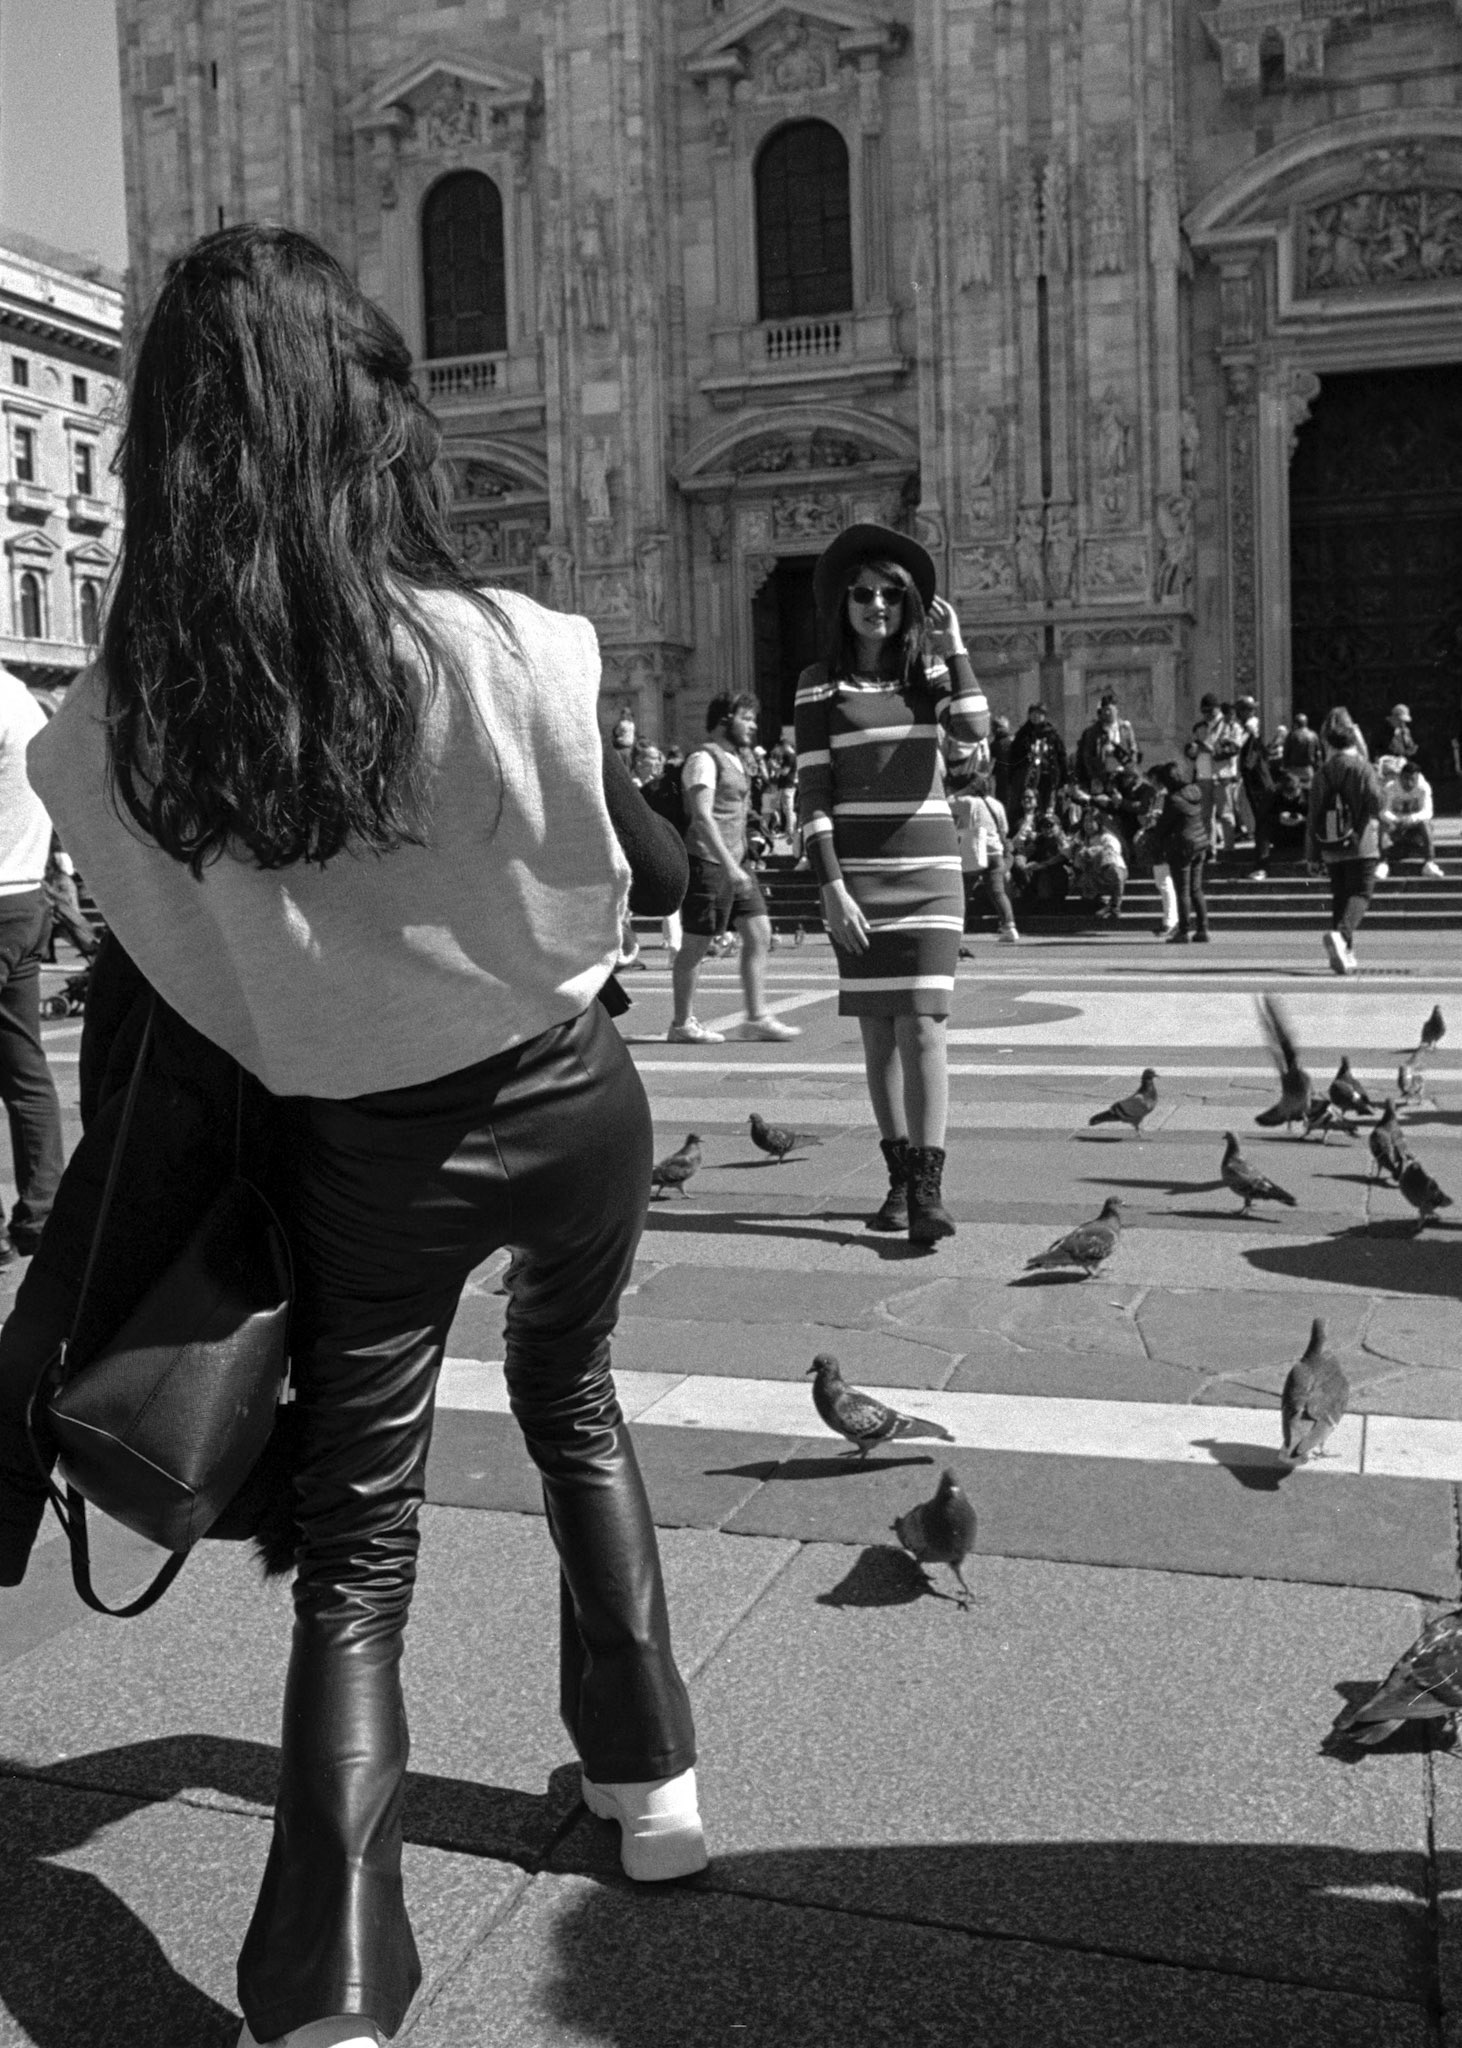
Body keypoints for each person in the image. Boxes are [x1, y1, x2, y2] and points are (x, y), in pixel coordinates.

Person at [16, 225, 704, 2048]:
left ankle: (330, 1989)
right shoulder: (518, 645)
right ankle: (654, 1788)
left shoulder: (109, 726)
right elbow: (596, 907)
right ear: (363, 411)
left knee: (362, 1551)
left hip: (367, 1152)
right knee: (574, 1403)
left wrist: (328, 1010)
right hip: (570, 1102)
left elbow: (194, 981)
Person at [795, 523, 988, 1243]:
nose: (877, 605)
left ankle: (929, 1189)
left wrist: (955, 643)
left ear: (910, 606)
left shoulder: (929, 679)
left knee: (926, 1027)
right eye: (864, 594)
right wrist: (830, 887)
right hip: (860, 876)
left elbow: (974, 725)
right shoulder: (818, 686)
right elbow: (811, 795)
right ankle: (899, 1180)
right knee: (880, 1035)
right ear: (843, 604)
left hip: (932, 873)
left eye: (891, 595)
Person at [666, 692, 797, 1043]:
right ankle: (682, 1024)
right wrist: (728, 864)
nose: (753, 726)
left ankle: (756, 1016)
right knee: (697, 943)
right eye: (747, 718)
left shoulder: (737, 760)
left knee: (759, 933)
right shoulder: (703, 759)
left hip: (736, 862)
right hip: (709, 862)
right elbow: (702, 817)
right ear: (725, 720)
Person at [0, 665, 66, 1271]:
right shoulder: (21, 699)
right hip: (23, 899)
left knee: (23, 1067)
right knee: (23, 1067)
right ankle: (42, 1215)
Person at [1307, 705, 1384, 975]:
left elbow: (1313, 815)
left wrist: (1312, 854)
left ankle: (1345, 952)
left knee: (1340, 896)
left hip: (1330, 845)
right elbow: (1377, 803)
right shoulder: (1362, 768)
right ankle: (1341, 937)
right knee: (1361, 892)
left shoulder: (1322, 773)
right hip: (1361, 842)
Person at [951, 771, 1019, 945]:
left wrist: (963, 791)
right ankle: (1009, 926)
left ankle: (958, 927)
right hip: (995, 852)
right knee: (998, 891)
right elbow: (1004, 830)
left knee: (963, 892)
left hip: (973, 851)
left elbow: (946, 802)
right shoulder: (997, 804)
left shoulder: (966, 802)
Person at [1153, 759, 1211, 943]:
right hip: (1200, 842)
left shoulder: (1173, 799)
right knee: (1196, 889)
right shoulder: (1193, 791)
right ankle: (1202, 929)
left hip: (1183, 847)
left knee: (1183, 890)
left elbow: (1163, 826)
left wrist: (1155, 831)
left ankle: (1184, 931)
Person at [1376, 756, 1443, 878]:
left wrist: (1410, 819)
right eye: (1406, 779)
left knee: (1426, 824)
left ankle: (1429, 862)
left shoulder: (1424, 788)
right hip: (1396, 826)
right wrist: (1397, 820)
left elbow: (1428, 811)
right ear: (1400, 777)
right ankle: (1382, 863)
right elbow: (1383, 811)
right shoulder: (1390, 788)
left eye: (1413, 779)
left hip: (1414, 826)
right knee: (1383, 825)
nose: (1409, 783)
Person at [1237, 698, 1280, 879]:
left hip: (1259, 785)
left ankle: (1262, 865)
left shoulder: (1249, 734)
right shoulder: (1251, 734)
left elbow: (1248, 762)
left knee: (1262, 824)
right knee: (1261, 823)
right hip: (1259, 783)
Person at [1006, 702, 1068, 812]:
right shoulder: (1023, 734)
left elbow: (1061, 756)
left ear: (1044, 716)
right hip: (1028, 778)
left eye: (1039, 714)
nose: (1036, 717)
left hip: (1048, 776)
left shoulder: (1052, 734)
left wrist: (1064, 778)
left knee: (1048, 805)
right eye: (1033, 714)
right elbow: (1014, 756)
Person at [1072, 808, 1127, 921]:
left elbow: (1113, 849)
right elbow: (1069, 850)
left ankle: (1114, 906)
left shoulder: (1107, 836)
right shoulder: (1080, 836)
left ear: (1099, 822)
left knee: (1114, 871)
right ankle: (1097, 903)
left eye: (1091, 821)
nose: (1088, 825)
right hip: (1089, 873)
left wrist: (1093, 851)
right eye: (1085, 821)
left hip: (1109, 871)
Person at [1283, 711, 1322, 791]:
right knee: (1309, 793)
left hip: (1294, 770)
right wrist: (1317, 768)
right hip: (1308, 770)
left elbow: (1286, 752)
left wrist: (1285, 767)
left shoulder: (1292, 735)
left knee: (1293, 794)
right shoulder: (1313, 735)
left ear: (1296, 724)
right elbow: (1318, 754)